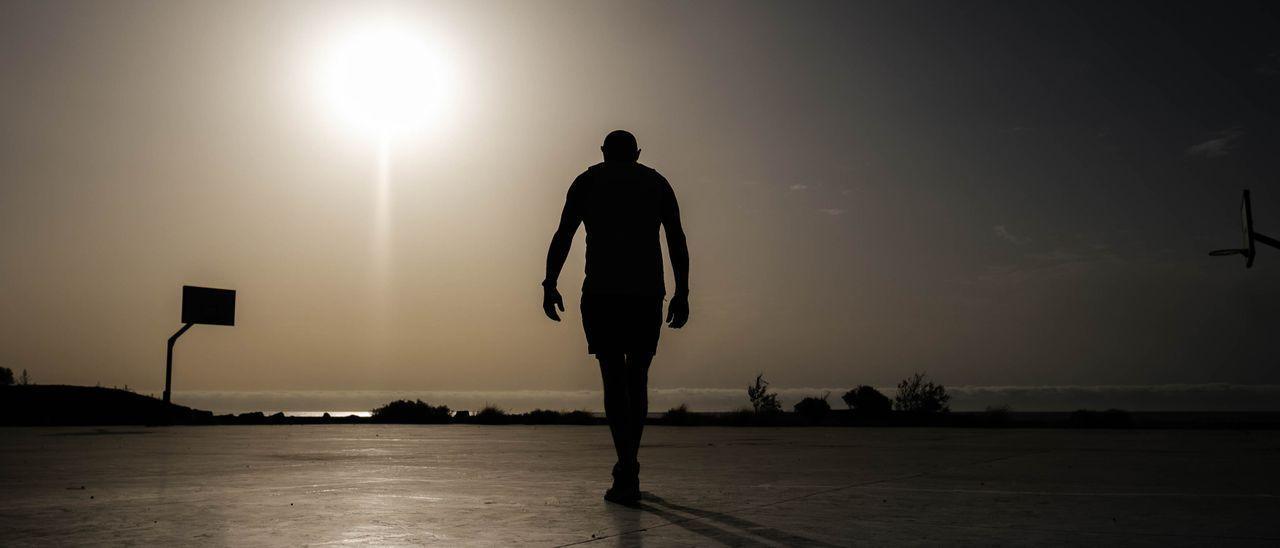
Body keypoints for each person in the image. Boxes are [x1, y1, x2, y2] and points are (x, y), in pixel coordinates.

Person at [542, 130, 690, 505]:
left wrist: (550, 282)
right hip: (645, 294)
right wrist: (682, 292)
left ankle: (625, 467)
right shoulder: (656, 183)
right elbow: (676, 240)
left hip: (602, 294)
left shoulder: (587, 182)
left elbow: (564, 236)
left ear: (604, 152)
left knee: (613, 377)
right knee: (637, 377)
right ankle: (629, 464)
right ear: (637, 153)